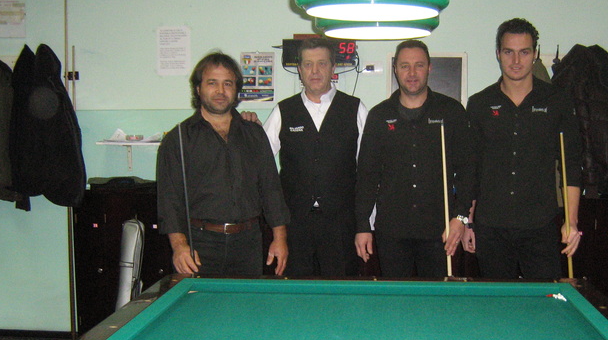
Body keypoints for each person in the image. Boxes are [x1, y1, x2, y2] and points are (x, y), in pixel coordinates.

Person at [466, 18, 582, 279]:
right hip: (491, 226)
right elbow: (471, 170)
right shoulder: (479, 104)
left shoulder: (557, 101)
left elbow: (571, 166)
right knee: (498, 301)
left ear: (535, 54)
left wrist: (571, 221)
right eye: (509, 52)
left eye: (524, 52)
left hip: (540, 225)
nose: (516, 60)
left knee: (544, 299)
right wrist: (468, 222)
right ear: (498, 53)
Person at [157, 51, 290, 277]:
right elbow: (169, 199)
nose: (220, 91)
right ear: (198, 89)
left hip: (248, 243)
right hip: (198, 245)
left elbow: (271, 189)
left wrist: (280, 238)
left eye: (227, 83)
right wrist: (179, 246)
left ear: (236, 89)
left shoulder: (254, 134)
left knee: (246, 301)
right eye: (212, 83)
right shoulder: (178, 139)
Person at [355, 40, 474, 278]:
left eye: (418, 65)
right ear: (395, 69)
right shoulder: (379, 116)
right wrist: (362, 226)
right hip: (392, 232)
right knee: (397, 297)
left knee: (437, 297)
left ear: (429, 68)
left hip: (441, 231)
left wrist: (461, 218)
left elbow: (468, 171)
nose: (411, 73)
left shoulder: (451, 112)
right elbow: (367, 176)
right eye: (405, 66)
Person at [263, 38, 368, 276]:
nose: (315, 71)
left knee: (341, 290)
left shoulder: (355, 109)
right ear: (300, 70)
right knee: (298, 291)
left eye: (322, 63)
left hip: (341, 225)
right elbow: (261, 163)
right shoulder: (283, 111)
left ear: (333, 68)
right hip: (295, 225)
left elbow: (368, 170)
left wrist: (366, 222)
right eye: (308, 64)